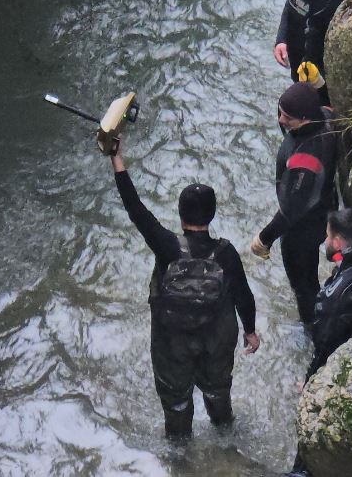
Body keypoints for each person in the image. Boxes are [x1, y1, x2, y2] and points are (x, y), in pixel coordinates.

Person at [109, 140, 260, 442]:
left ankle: (179, 458)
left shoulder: (167, 246)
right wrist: (251, 331)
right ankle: (226, 441)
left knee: (176, 402)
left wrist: (117, 159)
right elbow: (244, 295)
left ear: (180, 214)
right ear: (212, 215)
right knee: (217, 392)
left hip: (172, 342)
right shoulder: (226, 253)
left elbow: (135, 209)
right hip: (215, 340)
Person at [286, 208, 352, 477]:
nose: (324, 241)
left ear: (338, 242)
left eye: (327, 237)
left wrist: (309, 385)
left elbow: (324, 347)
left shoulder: (334, 298)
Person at [250, 83, 338, 323]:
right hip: (325, 205)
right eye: (280, 112)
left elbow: (291, 210)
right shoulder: (326, 117)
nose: (280, 120)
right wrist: (318, 85)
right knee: (308, 276)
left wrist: (264, 239)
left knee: (304, 284)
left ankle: (313, 326)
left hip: (304, 227)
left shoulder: (305, 162)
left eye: (287, 117)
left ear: (305, 120)